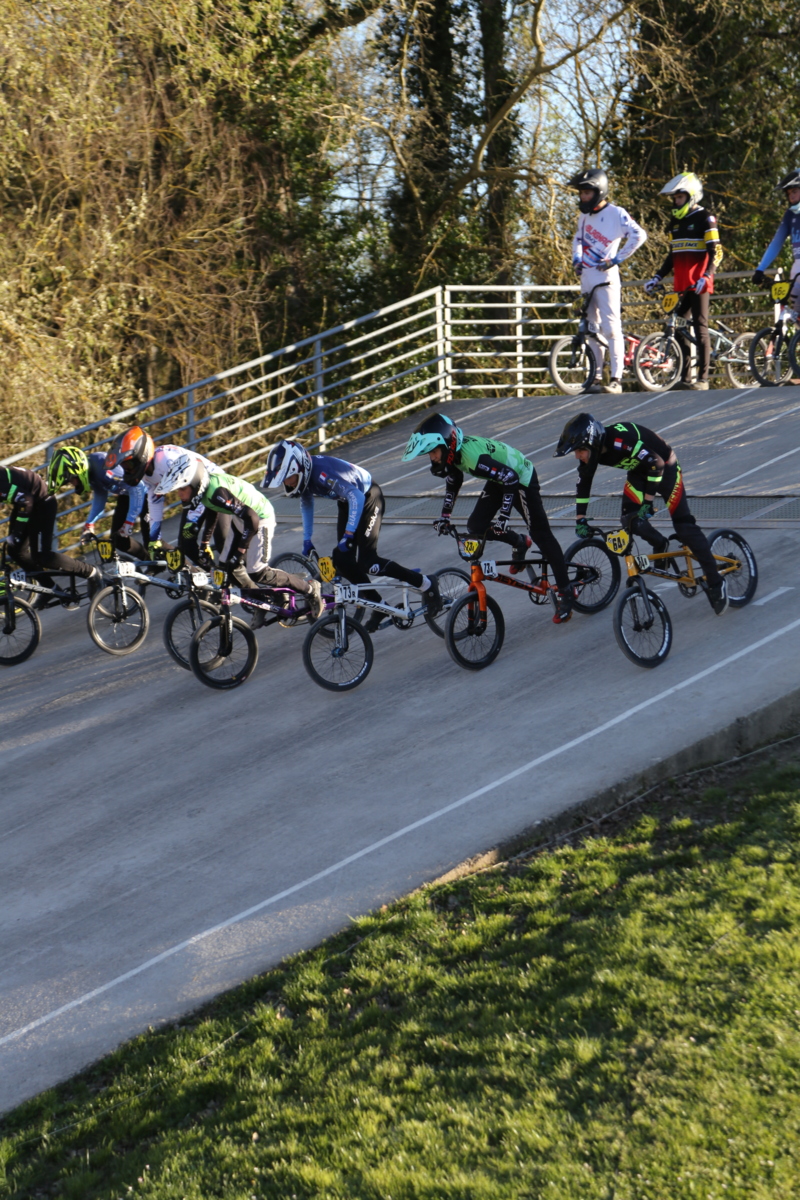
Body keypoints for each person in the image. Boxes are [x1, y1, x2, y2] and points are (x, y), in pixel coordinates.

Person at [401, 412, 573, 624]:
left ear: (447, 445)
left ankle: (566, 591)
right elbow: (454, 481)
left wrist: (504, 517)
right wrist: (445, 516)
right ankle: (519, 542)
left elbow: (511, 478)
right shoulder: (454, 455)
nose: (432, 458)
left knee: (541, 535)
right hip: (501, 478)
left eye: (434, 452)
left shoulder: (474, 459)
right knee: (476, 526)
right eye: (430, 454)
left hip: (520, 478)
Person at [554, 412, 727, 614]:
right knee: (630, 519)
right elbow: (584, 483)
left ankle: (716, 582)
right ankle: (660, 543)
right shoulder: (592, 453)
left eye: (579, 450)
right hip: (640, 471)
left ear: (592, 443)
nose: (577, 456)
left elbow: (657, 463)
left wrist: (648, 503)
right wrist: (580, 519)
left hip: (665, 468)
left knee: (684, 527)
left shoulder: (619, 442)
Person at [262, 440, 441, 633]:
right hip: (348, 501)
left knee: (369, 562)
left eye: (287, 478)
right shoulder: (304, 476)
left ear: (299, 468)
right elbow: (306, 504)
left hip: (367, 497)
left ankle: (426, 582)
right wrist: (307, 539)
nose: (287, 484)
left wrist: (348, 535)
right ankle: (378, 605)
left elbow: (357, 496)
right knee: (342, 560)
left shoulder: (322, 474)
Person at [155, 453, 324, 623]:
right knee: (227, 567)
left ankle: (309, 588)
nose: (180, 495)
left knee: (257, 572)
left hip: (259, 517)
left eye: (182, 489)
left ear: (195, 483)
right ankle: (262, 602)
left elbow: (252, 519)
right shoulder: (205, 491)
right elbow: (213, 510)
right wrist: (205, 543)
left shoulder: (217, 492)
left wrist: (240, 551)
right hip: (242, 518)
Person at [568, 167, 647, 394]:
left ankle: (616, 378)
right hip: (587, 278)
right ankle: (595, 377)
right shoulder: (584, 216)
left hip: (606, 278)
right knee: (592, 329)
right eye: (581, 193)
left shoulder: (616, 213)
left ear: (599, 191)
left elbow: (639, 235)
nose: (583, 197)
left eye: (586, 193)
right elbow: (578, 239)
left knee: (611, 328)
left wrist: (616, 259)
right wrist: (576, 259)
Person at [643, 172, 723, 391]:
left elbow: (716, 252)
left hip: (700, 283)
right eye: (675, 198)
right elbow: (672, 255)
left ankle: (703, 379)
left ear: (691, 196)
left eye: (679, 197)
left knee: (700, 327)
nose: (676, 201)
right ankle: (685, 378)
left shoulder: (705, 218)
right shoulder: (675, 223)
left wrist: (707, 275)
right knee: (678, 328)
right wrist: (657, 277)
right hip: (682, 284)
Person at [105, 426, 226, 565]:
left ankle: (236, 574)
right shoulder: (146, 473)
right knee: (186, 546)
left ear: (141, 455)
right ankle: (212, 574)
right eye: (124, 467)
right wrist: (155, 537)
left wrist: (193, 522)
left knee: (223, 541)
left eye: (129, 465)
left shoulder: (167, 460)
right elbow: (154, 501)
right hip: (194, 495)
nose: (127, 471)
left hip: (217, 487)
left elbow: (200, 485)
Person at [1, 465, 101, 598]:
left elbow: (26, 500)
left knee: (44, 557)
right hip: (26, 502)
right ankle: (50, 590)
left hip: (42, 502)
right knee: (15, 551)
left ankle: (91, 572)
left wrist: (18, 532)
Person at [46, 445, 149, 558]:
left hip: (147, 492)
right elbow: (100, 496)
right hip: (127, 494)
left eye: (71, 480)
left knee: (150, 538)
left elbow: (138, 487)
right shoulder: (90, 472)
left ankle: (160, 560)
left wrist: (129, 522)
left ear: (77, 471)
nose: (73, 484)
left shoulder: (103, 467)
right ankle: (150, 561)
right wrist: (89, 524)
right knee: (119, 540)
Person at [752, 168, 800, 322]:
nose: (791, 196)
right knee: (796, 313)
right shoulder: (789, 215)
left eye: (794, 191)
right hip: (798, 268)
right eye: (788, 193)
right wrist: (760, 269)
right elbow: (776, 242)